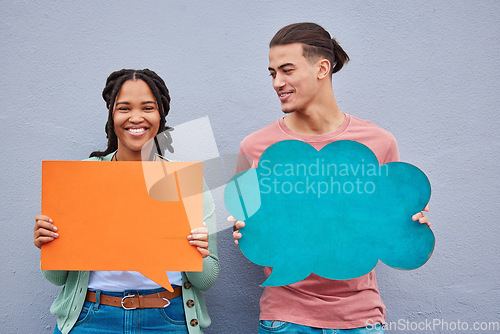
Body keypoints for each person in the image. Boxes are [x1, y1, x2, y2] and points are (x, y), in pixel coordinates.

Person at [230, 23, 430, 334]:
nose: (277, 83)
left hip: (361, 318)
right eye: (272, 73)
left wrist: (409, 224)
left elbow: (387, 227)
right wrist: (245, 229)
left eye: (287, 70)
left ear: (322, 68)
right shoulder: (254, 147)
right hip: (285, 319)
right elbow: (250, 226)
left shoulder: (379, 142)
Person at [34, 69, 220, 334]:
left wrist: (199, 254)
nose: (136, 117)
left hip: (169, 319)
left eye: (148, 107)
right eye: (124, 108)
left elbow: (207, 280)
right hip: (91, 319)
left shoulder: (186, 180)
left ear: (160, 115)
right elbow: (56, 278)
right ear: (112, 114)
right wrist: (49, 245)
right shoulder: (81, 176)